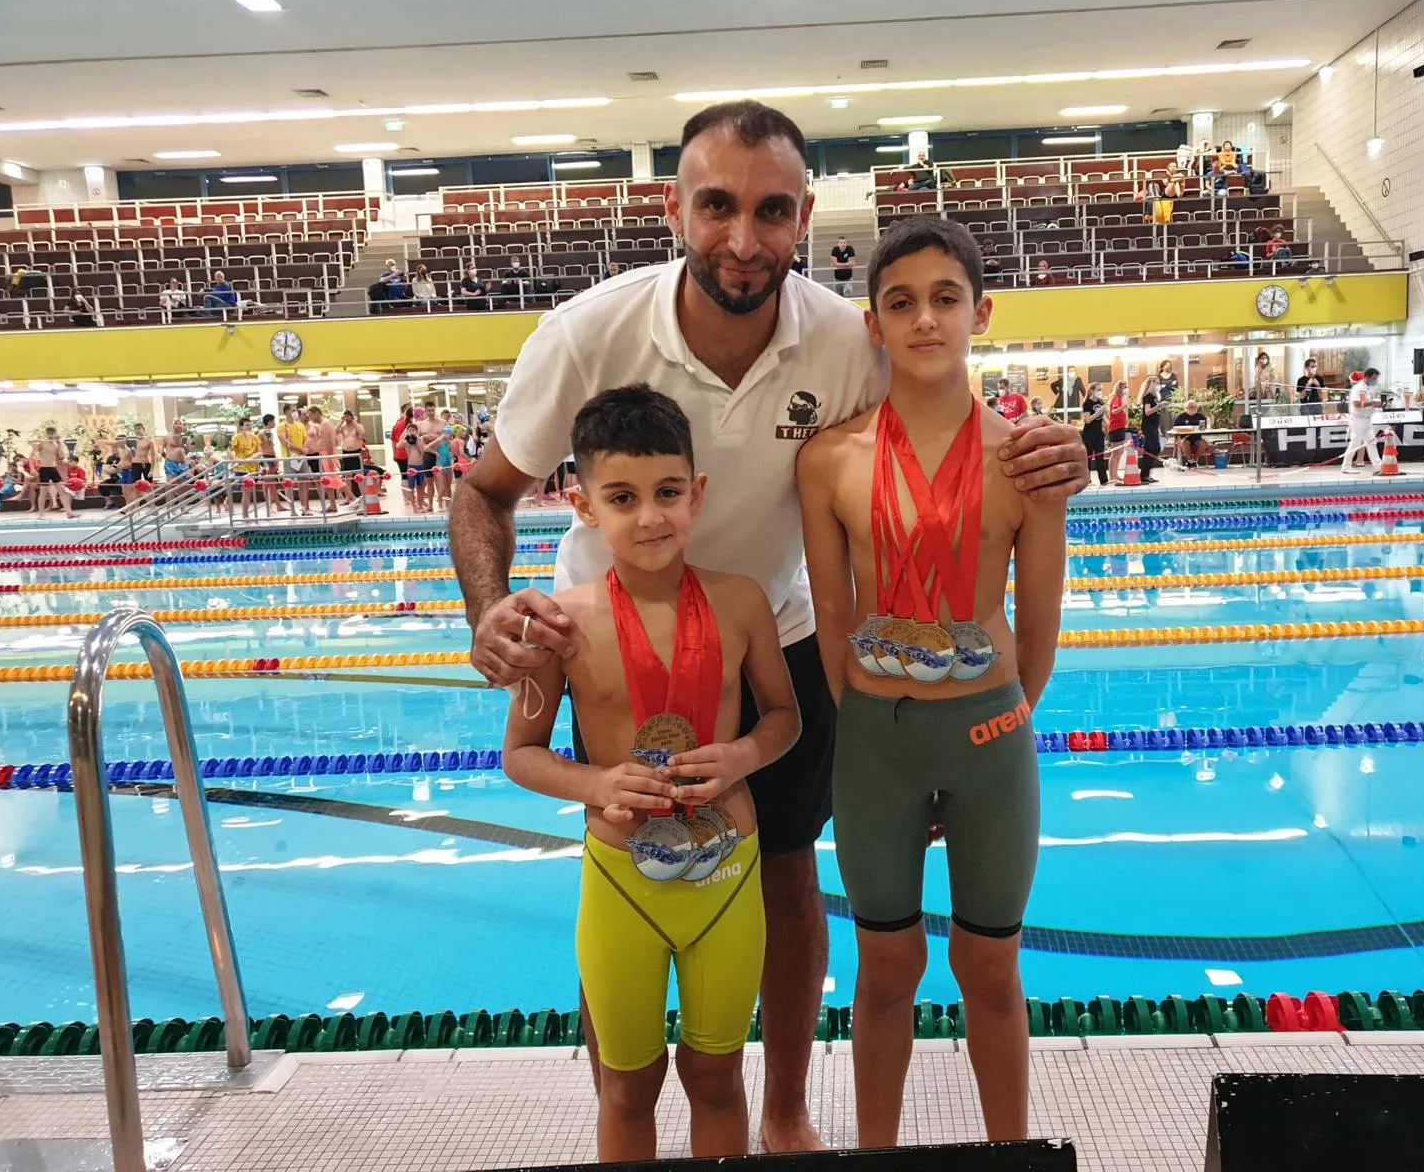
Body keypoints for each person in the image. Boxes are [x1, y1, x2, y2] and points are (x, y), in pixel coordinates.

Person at [449, 100, 1090, 1153]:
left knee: (788, 871)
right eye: (716, 207)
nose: (742, 240)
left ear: (804, 222)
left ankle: (786, 1111)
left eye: (771, 212)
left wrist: (1049, 451)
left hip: (782, 634)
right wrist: (488, 615)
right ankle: (621, 1100)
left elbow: (943, 410)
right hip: (622, 639)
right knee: (623, 846)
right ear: (673, 206)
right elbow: (483, 493)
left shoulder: (845, 339)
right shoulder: (587, 333)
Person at [795, 217, 1065, 1147]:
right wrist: (880, 729)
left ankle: (1013, 1154)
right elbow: (835, 624)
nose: (924, 320)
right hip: (876, 738)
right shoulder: (827, 461)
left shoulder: (1025, 461)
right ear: (873, 322)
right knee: (886, 967)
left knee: (991, 969)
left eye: (945, 299)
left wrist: (996, 720)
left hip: (991, 737)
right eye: (901, 303)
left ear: (980, 314)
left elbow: (1038, 631)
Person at [503, 385, 799, 1161]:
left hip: (726, 874)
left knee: (717, 1077)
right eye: (622, 497)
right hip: (620, 880)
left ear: (696, 494)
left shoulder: (741, 604)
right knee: (628, 1085)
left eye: (668, 493)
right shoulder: (559, 625)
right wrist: (597, 783)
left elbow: (784, 720)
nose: (650, 517)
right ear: (584, 505)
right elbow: (520, 754)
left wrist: (740, 755)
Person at [1340, 368, 1384, 474]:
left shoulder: (1367, 388)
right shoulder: (1358, 388)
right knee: (1355, 443)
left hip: (1367, 420)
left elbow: (1366, 403)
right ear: (1368, 377)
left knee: (1372, 442)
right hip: (1358, 420)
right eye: (1374, 378)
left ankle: (1378, 466)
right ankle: (1346, 466)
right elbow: (1356, 404)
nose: (1375, 381)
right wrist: (1373, 403)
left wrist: (1373, 404)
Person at [278, 403, 312, 516]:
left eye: (296, 410)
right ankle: (292, 510)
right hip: (290, 458)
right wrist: (301, 449)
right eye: (293, 410)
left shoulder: (300, 425)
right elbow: (285, 443)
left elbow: (306, 439)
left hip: (301, 457)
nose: (295, 412)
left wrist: (304, 450)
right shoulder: (282, 426)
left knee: (304, 483)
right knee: (289, 484)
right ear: (287, 411)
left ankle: (305, 509)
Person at [30, 427, 70, 516]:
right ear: (48, 434)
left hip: (53, 468)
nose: (53, 436)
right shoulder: (42, 443)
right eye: (51, 434)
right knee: (43, 492)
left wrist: (60, 444)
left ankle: (69, 512)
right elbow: (32, 456)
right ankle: (41, 514)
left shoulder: (56, 444)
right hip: (44, 469)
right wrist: (32, 468)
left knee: (62, 490)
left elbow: (61, 457)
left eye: (54, 434)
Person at [229, 416, 261, 522]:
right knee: (246, 491)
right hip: (241, 468)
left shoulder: (255, 437)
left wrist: (254, 456)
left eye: (250, 424)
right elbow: (229, 450)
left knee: (249, 491)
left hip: (252, 468)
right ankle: (245, 515)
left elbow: (260, 451)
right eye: (247, 425)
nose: (249, 427)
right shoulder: (237, 437)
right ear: (241, 427)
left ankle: (246, 514)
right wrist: (236, 459)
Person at [1081, 382, 1108, 486]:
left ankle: (1104, 479)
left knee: (1100, 457)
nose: (1100, 392)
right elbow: (1087, 420)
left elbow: (1102, 418)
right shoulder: (1087, 403)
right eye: (1098, 390)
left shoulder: (1100, 402)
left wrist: (1107, 423)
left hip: (1098, 434)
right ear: (1092, 391)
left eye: (1101, 390)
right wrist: (1097, 413)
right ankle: (1087, 479)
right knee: (1088, 457)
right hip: (1089, 434)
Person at [1172, 397, 1211, 468]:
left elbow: (1204, 428)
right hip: (1185, 438)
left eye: (1193, 406)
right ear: (1185, 408)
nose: (1191, 408)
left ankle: (1194, 461)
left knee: (1204, 444)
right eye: (1189, 407)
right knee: (1184, 443)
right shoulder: (1180, 417)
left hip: (1197, 438)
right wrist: (1175, 440)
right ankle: (1190, 461)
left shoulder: (1201, 416)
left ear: (1196, 407)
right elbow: (1175, 429)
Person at [337, 409, 368, 495]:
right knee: (347, 475)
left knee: (359, 474)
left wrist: (354, 422)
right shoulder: (343, 427)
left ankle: (363, 494)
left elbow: (362, 432)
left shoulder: (358, 426)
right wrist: (340, 422)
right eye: (345, 416)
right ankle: (348, 497)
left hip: (356, 452)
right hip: (346, 452)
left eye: (348, 416)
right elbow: (335, 432)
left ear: (352, 417)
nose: (346, 418)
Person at [1139, 378, 1162, 484]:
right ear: (1151, 384)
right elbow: (1147, 412)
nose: (1158, 385)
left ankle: (1146, 474)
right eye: (1156, 383)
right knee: (1153, 449)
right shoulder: (1148, 397)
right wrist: (1159, 406)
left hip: (1153, 426)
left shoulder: (1154, 397)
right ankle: (1144, 474)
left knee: (1153, 449)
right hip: (1148, 426)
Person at [390, 401, 414, 480]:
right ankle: (410, 492)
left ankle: (407, 492)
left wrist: (394, 454)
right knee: (411, 476)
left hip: (399, 454)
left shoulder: (397, 424)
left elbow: (393, 441)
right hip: (409, 454)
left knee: (404, 476)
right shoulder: (410, 424)